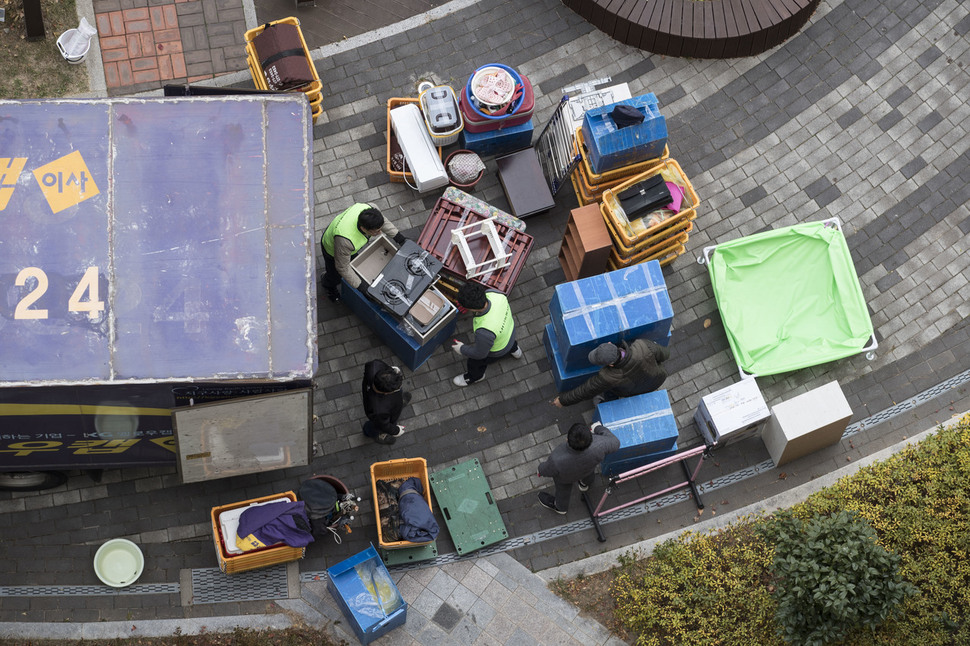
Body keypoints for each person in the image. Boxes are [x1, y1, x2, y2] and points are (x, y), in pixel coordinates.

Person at [320, 203, 406, 302]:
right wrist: (363, 288)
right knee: (335, 275)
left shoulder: (371, 208)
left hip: (347, 248)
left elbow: (383, 222)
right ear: (363, 228)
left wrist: (400, 239)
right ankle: (328, 285)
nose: (380, 233)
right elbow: (342, 267)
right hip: (332, 249)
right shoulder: (345, 241)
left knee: (352, 266)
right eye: (376, 231)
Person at [552, 339, 669, 408]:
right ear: (610, 343)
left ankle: (605, 401)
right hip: (658, 379)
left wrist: (562, 401)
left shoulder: (608, 377)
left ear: (611, 365)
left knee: (609, 390)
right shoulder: (642, 345)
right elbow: (666, 354)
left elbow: (585, 391)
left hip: (634, 391)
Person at [536, 422, 620, 514]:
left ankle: (561, 508)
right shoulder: (600, 444)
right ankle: (584, 485)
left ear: (567, 439)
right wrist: (598, 427)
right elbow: (616, 443)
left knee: (563, 491)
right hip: (588, 469)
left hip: (566, 479)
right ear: (590, 435)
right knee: (588, 475)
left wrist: (540, 470)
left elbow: (547, 469)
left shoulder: (557, 458)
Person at [450, 282, 522, 387]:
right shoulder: (495, 294)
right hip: (510, 332)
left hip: (498, 349)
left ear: (473, 309)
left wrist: (462, 349)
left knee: (474, 362)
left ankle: (475, 376)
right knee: (507, 342)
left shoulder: (484, 332)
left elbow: (480, 354)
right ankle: (514, 349)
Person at [361, 359, 411, 445]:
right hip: (380, 418)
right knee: (375, 426)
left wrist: (391, 370)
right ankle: (373, 433)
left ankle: (398, 404)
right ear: (386, 393)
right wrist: (396, 431)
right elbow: (384, 425)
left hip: (388, 404)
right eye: (397, 389)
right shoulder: (379, 410)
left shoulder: (374, 366)